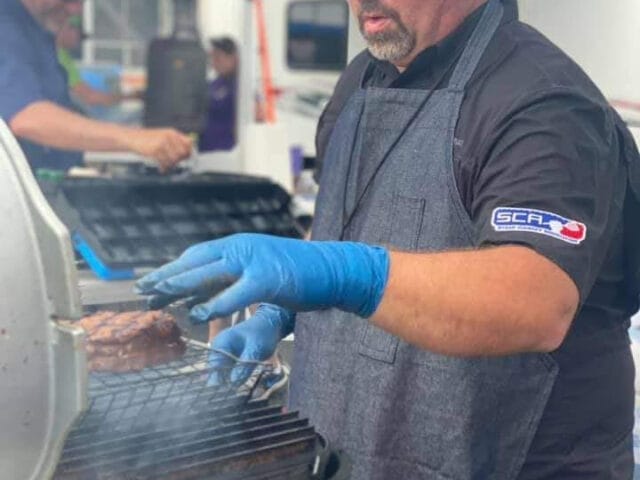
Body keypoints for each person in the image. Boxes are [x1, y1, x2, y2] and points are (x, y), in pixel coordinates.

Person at [137, 0, 640, 478]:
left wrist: (346, 273)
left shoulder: (543, 103)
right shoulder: (362, 81)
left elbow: (533, 301)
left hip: (512, 460)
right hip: (367, 443)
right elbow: (349, 219)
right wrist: (283, 305)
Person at [0, 0, 192, 172]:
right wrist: (135, 138)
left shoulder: (38, 34)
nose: (76, 10)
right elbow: (27, 118)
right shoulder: (5, 27)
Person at [56, 16, 139, 109]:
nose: (78, 42)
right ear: (66, 28)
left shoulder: (60, 56)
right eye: (79, 35)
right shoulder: (61, 59)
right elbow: (90, 97)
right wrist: (133, 97)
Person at [198, 37, 238, 153]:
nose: (213, 63)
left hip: (227, 153)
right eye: (212, 58)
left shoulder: (241, 87)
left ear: (233, 57)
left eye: (218, 58)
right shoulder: (214, 84)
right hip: (206, 152)